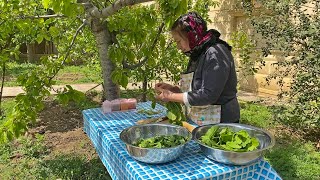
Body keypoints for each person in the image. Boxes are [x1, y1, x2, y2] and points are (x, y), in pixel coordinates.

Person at [155, 12, 240, 124]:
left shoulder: (215, 54)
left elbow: (207, 95)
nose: (178, 47)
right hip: (203, 119)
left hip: (222, 122)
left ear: (191, 35)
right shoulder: (198, 53)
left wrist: (171, 96)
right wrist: (174, 90)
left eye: (178, 41)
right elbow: (196, 89)